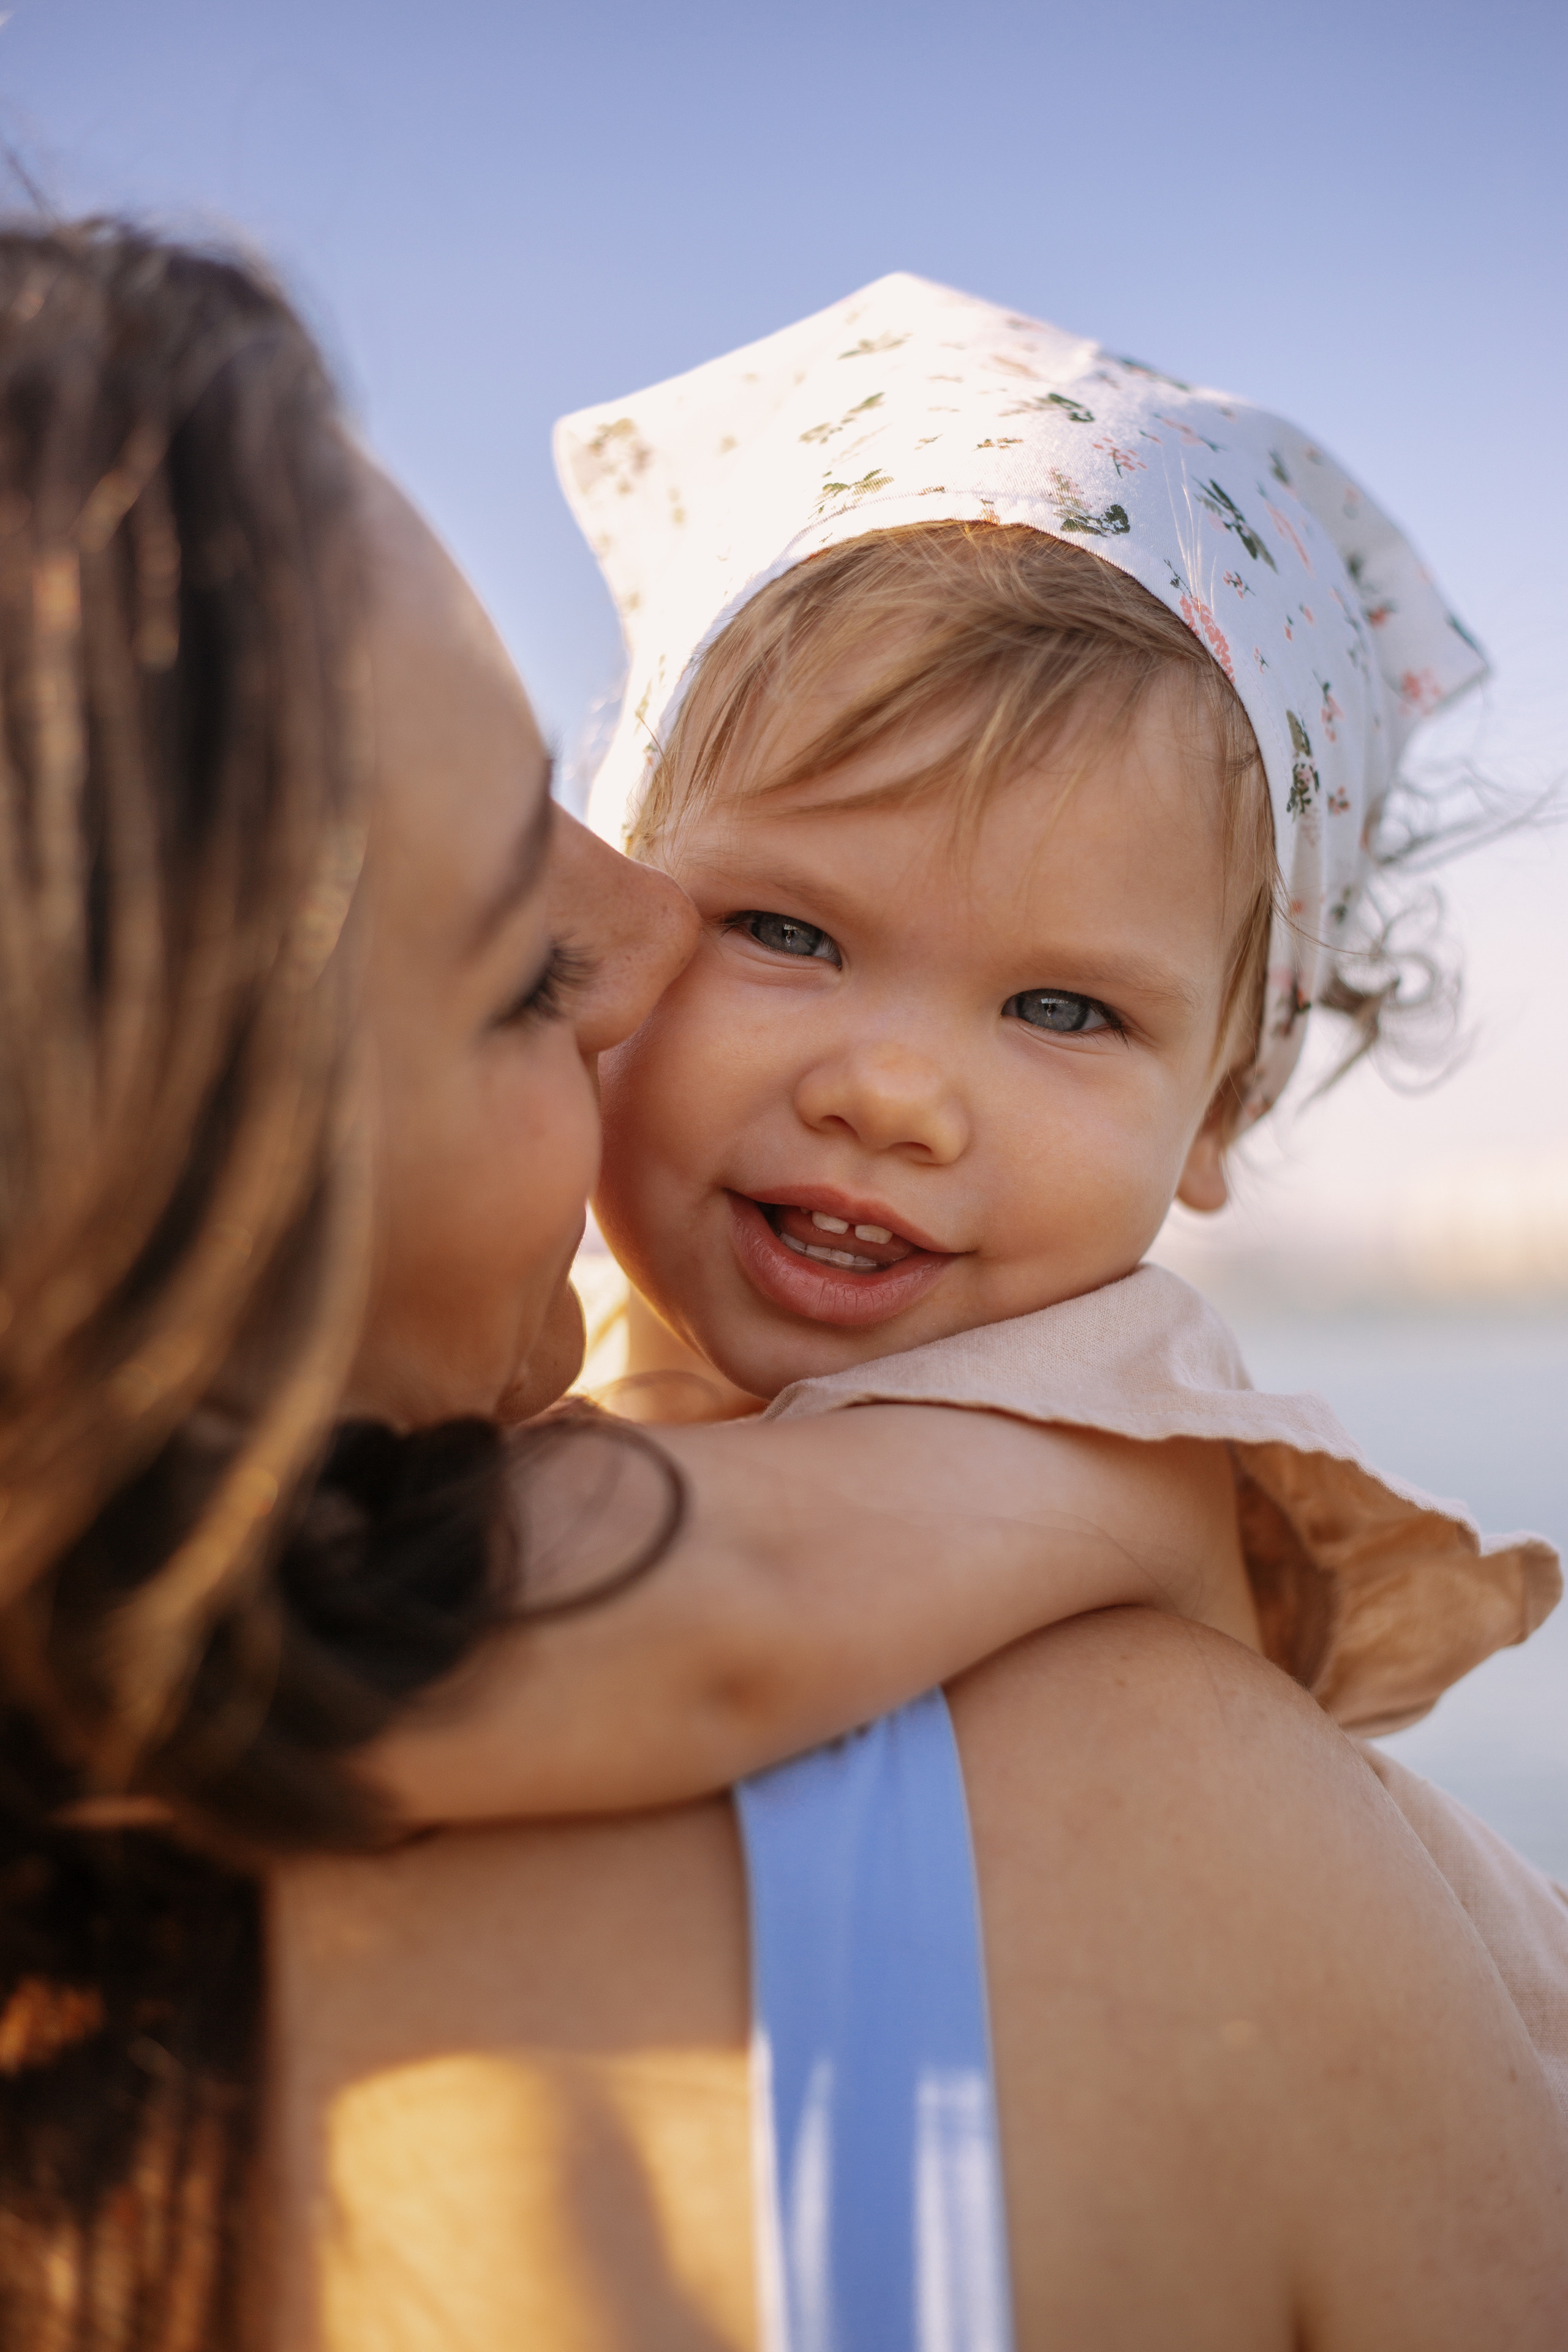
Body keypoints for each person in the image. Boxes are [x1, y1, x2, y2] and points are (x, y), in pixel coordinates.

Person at [1, 222, 1563, 2350]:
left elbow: (685, 1634)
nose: (895, 1092)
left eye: (1065, 1011)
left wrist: (91, 1625)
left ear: (1223, 1108)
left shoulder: (1098, 1427)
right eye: (787, 934)